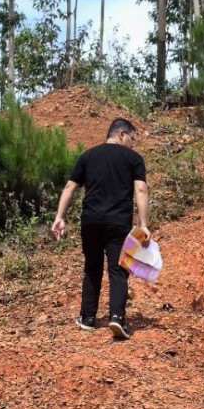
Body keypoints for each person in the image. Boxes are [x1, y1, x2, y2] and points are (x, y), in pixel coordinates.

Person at [52, 117, 149, 340]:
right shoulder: (133, 159)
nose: (133, 144)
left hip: (91, 222)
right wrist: (143, 224)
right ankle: (116, 318)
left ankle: (87, 318)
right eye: (132, 138)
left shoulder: (88, 156)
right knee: (118, 270)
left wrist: (60, 216)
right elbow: (141, 190)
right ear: (122, 134)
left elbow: (70, 187)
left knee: (92, 267)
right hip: (118, 223)